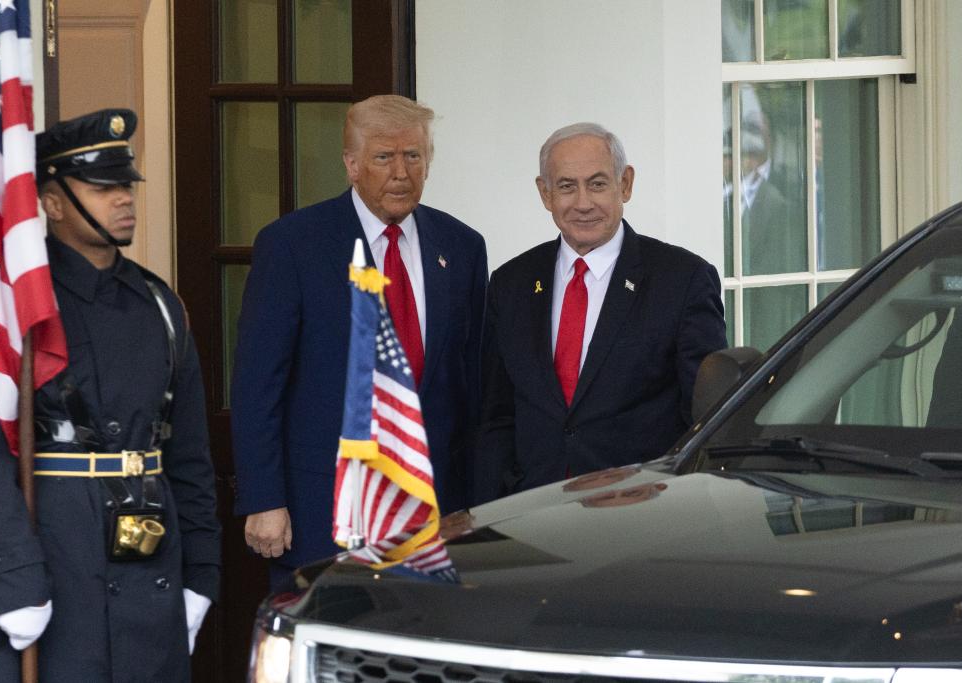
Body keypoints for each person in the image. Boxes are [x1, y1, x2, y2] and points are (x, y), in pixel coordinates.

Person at [0, 109, 221, 680]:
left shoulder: (159, 304)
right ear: (52, 203)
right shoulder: (10, 309)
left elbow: (190, 453)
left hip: (152, 564)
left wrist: (202, 572)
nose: (124, 199)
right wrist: (13, 582)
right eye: (102, 188)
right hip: (56, 565)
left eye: (127, 185)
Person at [231, 95, 488, 585]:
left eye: (413, 156)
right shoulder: (293, 244)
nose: (401, 173)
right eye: (383, 157)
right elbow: (258, 384)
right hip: (324, 510)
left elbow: (470, 383)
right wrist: (265, 499)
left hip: (433, 512)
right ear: (351, 164)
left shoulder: (462, 247)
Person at [474, 122, 726, 504]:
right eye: (566, 186)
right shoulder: (511, 283)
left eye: (597, 184)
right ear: (544, 193)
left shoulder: (683, 280)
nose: (583, 203)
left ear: (625, 184)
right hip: (532, 514)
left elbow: (705, 421)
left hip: (639, 514)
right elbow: (497, 417)